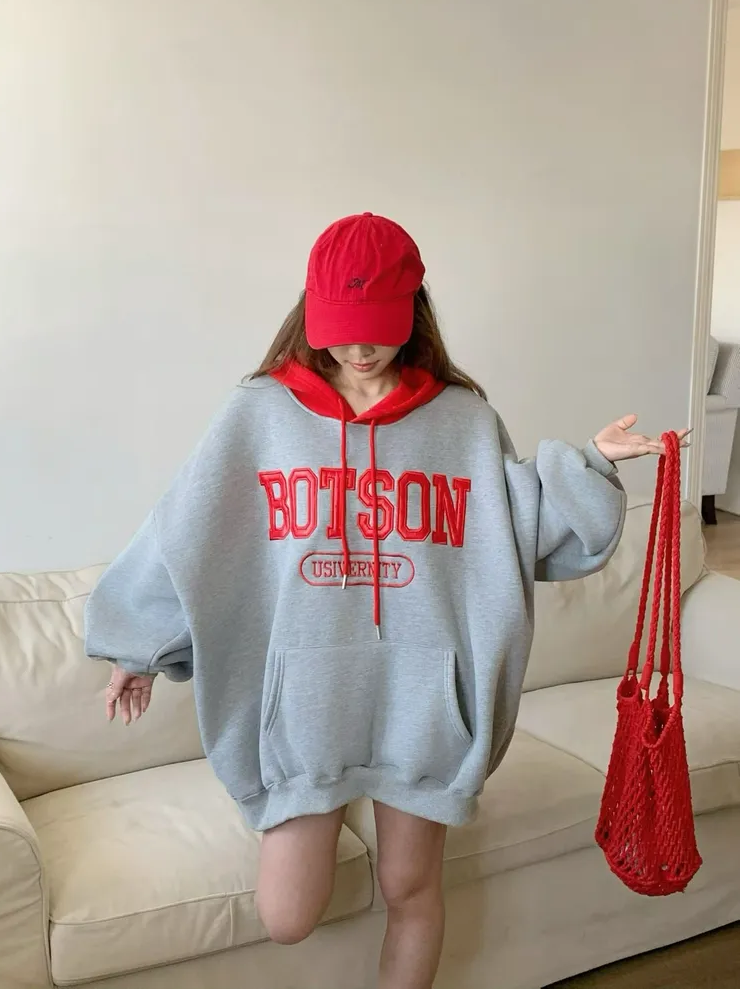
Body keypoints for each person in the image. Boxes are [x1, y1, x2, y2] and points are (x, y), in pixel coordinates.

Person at [85, 212, 688, 989]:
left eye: (378, 328)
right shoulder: (259, 414)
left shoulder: (462, 421)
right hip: (307, 704)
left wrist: (589, 465)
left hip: (421, 703)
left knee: (411, 888)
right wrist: (136, 645)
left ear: (413, 310)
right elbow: (190, 533)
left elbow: (518, 526)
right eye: (344, 330)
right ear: (313, 312)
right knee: (287, 913)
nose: (361, 349)